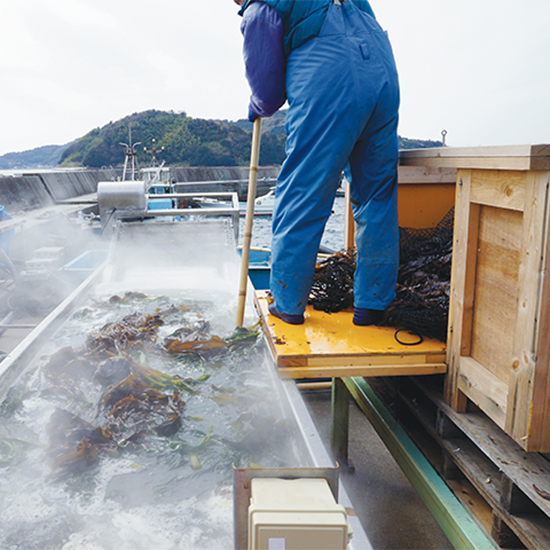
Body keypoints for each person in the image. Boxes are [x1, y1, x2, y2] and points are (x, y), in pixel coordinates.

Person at [235, 0, 400, 326]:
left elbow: (268, 91)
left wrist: (256, 103)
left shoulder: (260, 7)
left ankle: (287, 303)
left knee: (304, 190)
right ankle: (373, 303)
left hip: (329, 77)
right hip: (382, 73)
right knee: (376, 195)